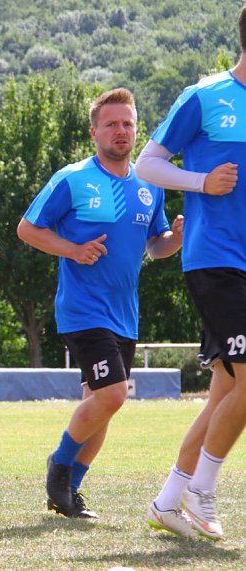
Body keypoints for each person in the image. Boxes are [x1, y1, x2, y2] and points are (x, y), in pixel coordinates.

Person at [17, 88, 182, 520]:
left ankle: (67, 493)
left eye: (127, 123)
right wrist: (72, 250)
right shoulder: (72, 179)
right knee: (112, 395)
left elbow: (156, 246)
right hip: (83, 310)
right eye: (111, 124)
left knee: (102, 407)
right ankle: (59, 465)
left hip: (125, 315)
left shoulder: (149, 184)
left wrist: (176, 239)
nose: (120, 130)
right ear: (94, 132)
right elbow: (28, 229)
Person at [135, 4, 246, 541]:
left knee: (226, 388)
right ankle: (203, 490)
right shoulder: (205, 96)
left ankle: (168, 501)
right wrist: (202, 181)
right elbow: (147, 164)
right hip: (217, 259)